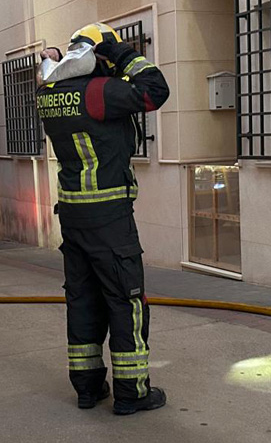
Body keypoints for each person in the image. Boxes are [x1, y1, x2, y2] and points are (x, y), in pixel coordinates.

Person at [36, 23, 170, 415]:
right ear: (98, 56)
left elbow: (68, 81)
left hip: (73, 217)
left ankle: (87, 387)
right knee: (125, 301)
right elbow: (155, 90)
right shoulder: (99, 93)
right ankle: (132, 392)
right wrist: (124, 54)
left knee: (82, 300)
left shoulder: (50, 92)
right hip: (109, 217)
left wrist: (64, 62)